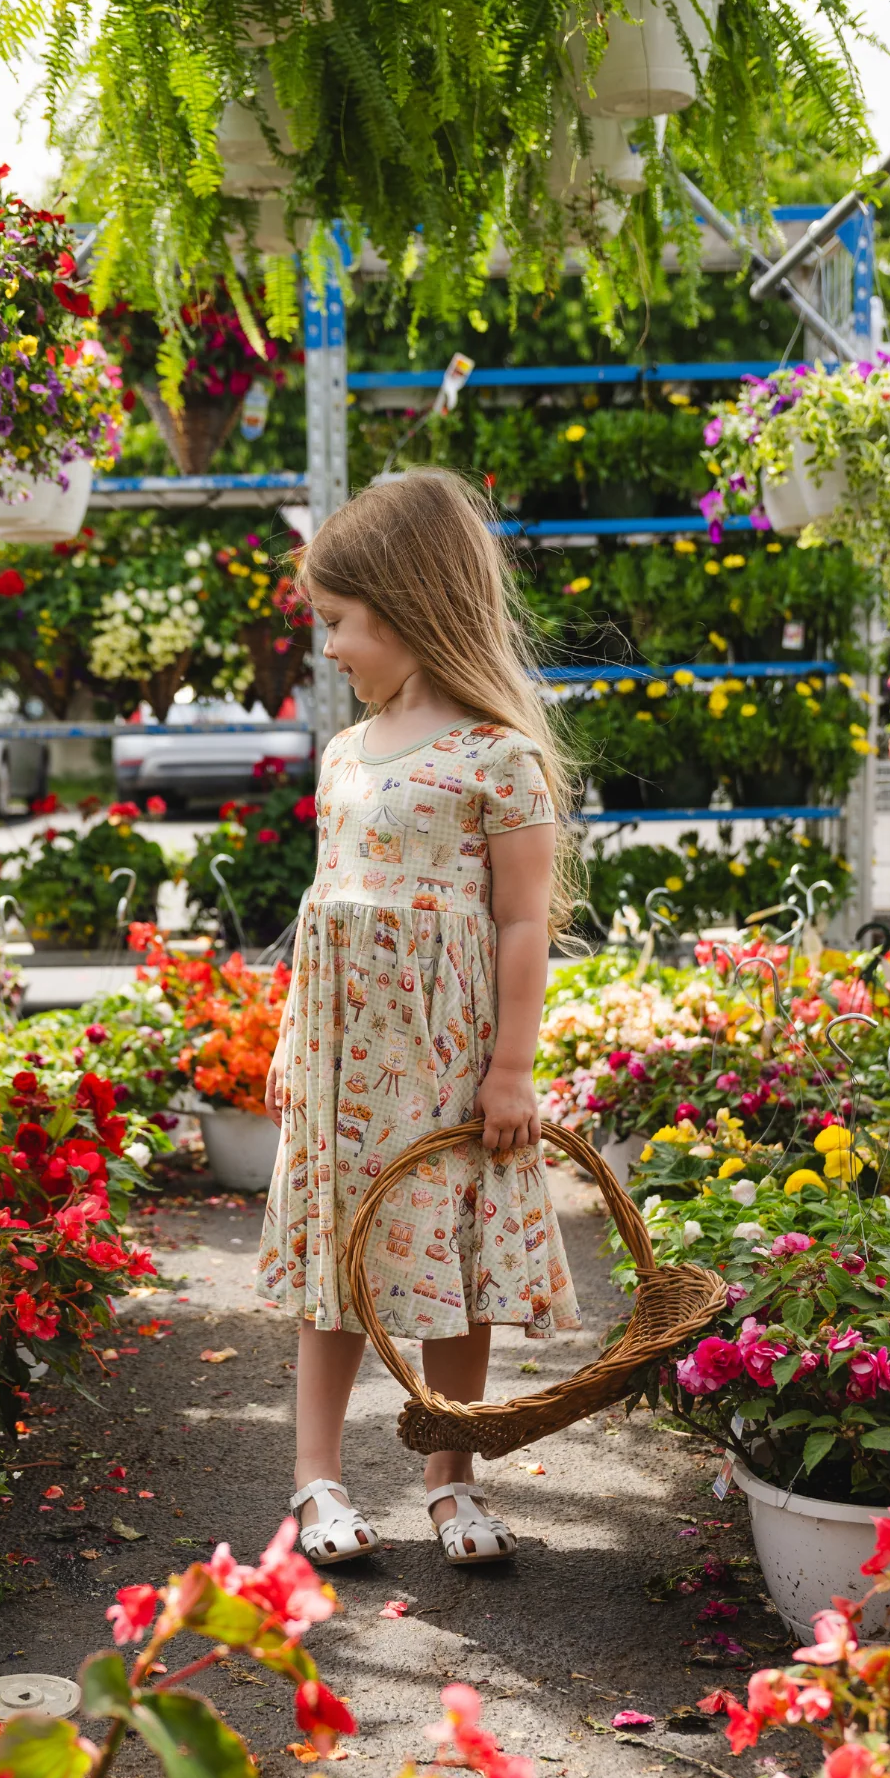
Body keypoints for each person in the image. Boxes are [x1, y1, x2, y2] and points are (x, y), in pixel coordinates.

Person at [257, 468, 583, 1569]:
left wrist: (510, 1070)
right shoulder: (345, 755)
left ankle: (451, 1479)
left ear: (400, 608)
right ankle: (317, 1477)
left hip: (445, 1064)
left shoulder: (498, 757)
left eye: (337, 622)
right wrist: (290, 1036)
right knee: (336, 1265)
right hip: (343, 1064)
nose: (329, 648)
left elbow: (523, 924)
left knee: (455, 1264)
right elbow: (322, 911)